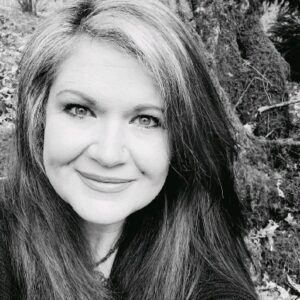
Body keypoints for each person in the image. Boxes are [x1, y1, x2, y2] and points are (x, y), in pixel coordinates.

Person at [0, 0, 258, 299]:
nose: (108, 155)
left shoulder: (204, 256)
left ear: (183, 139)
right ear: (38, 116)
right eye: (80, 110)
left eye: (146, 120)